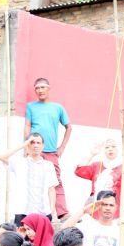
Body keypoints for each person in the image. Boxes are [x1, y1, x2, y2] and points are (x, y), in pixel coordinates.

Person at [24, 77, 72, 218]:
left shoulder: (58, 107)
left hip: (51, 151)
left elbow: (69, 127)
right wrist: (27, 146)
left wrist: (62, 147)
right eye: (37, 88)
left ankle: (62, 213)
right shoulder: (31, 106)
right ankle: (29, 212)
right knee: (31, 180)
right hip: (33, 150)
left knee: (56, 181)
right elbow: (27, 126)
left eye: (42, 87)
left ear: (49, 88)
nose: (40, 90)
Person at [0, 134, 59, 223]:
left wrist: (52, 209)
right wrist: (22, 145)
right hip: (22, 213)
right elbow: (2, 156)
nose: (35, 145)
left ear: (42, 146)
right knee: (20, 237)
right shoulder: (19, 162)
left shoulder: (48, 165)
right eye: (32, 142)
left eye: (38, 143)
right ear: (27, 145)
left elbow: (51, 189)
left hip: (44, 213)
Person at [74, 138, 124, 214]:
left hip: (117, 209)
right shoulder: (97, 165)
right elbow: (79, 171)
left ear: (120, 150)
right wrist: (91, 154)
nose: (110, 149)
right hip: (96, 206)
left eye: (114, 146)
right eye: (107, 147)